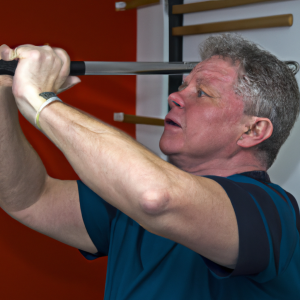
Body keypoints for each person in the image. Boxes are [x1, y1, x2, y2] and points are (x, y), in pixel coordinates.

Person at [0, 33, 299, 299]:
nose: (174, 96)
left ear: (252, 131)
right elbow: (29, 198)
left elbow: (156, 197)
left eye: (202, 93)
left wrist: (41, 102)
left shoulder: (271, 215)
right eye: (183, 86)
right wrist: (4, 91)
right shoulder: (128, 201)